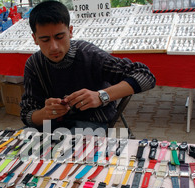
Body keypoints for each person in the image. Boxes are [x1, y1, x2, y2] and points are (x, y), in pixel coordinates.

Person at [20, 0, 156, 134]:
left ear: (70, 31)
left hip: (92, 122)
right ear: (35, 39)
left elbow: (145, 76)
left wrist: (101, 96)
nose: (54, 46)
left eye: (60, 36)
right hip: (52, 124)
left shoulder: (89, 55)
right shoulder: (34, 64)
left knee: (70, 151)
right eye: (45, 40)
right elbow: (27, 114)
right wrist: (45, 113)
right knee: (17, 144)